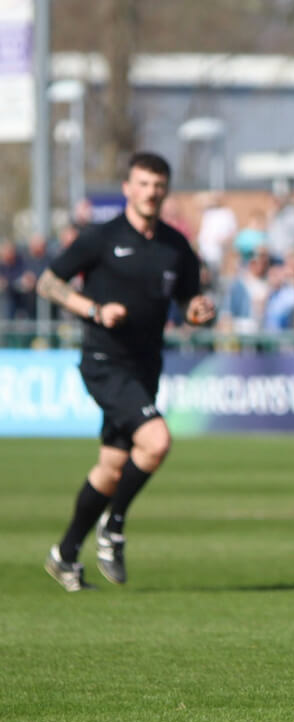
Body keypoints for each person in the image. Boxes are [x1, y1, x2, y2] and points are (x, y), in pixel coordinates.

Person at [38, 152, 215, 592]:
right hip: (104, 361)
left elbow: (190, 303)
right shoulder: (101, 237)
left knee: (112, 467)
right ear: (127, 188)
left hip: (145, 364)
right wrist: (94, 310)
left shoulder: (176, 246)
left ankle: (64, 555)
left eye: (158, 185)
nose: (151, 192)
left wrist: (199, 312)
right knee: (157, 441)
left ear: (165, 190)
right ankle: (112, 528)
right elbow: (48, 283)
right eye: (143, 183)